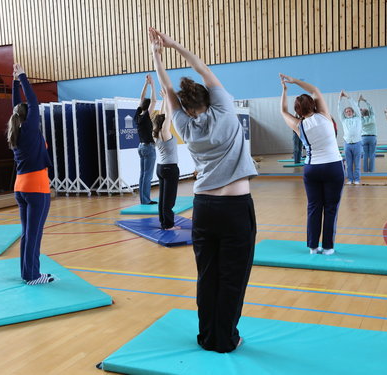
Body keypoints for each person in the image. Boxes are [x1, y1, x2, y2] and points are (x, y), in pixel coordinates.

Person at [149, 27, 257, 353]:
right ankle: (226, 338)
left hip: (204, 207)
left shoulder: (181, 122)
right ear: (208, 98)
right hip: (236, 206)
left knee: (207, 275)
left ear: (184, 104)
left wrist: (156, 53)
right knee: (232, 278)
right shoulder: (223, 108)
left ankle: (206, 336)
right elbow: (202, 68)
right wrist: (172, 44)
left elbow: (167, 87)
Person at [279, 73, 344, 256]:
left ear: (298, 111)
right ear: (314, 105)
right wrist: (294, 81)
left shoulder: (298, 125)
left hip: (312, 169)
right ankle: (329, 247)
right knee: (330, 208)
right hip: (333, 167)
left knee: (314, 207)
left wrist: (284, 91)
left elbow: (283, 111)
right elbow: (314, 90)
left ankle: (313, 247)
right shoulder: (325, 115)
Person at [7, 63, 54, 285]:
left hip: (21, 188)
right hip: (37, 189)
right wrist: (23, 76)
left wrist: (15, 82)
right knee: (34, 234)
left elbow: (18, 107)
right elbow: (32, 103)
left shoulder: (16, 130)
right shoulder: (29, 130)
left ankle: (27, 273)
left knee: (28, 233)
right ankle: (33, 275)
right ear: (30, 118)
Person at [152, 89, 180, 230]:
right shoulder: (165, 133)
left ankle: (164, 222)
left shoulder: (155, 133)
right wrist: (168, 98)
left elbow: (163, 115)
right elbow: (168, 115)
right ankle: (168, 225)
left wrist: (163, 99)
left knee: (163, 198)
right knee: (169, 200)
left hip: (161, 168)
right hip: (170, 169)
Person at [134, 74, 157, 205]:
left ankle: (144, 199)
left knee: (143, 174)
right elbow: (153, 101)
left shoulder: (137, 115)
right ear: (148, 107)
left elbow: (142, 98)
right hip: (148, 147)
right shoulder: (146, 116)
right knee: (147, 175)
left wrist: (145, 84)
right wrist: (152, 84)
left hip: (141, 147)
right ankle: (146, 200)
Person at [338, 91, 362, 185]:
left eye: (350, 111)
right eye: (346, 111)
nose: (348, 112)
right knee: (349, 164)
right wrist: (339, 99)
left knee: (357, 163)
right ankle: (350, 179)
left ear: (353, 112)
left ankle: (357, 179)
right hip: (347, 144)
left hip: (357, 143)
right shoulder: (343, 120)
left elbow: (356, 107)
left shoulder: (358, 118)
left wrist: (348, 97)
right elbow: (339, 110)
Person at [358, 95, 377, 172]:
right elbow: (371, 108)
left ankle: (365, 170)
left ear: (362, 114)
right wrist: (365, 100)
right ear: (369, 113)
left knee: (365, 155)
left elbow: (357, 110)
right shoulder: (372, 117)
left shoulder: (361, 119)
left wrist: (359, 101)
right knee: (372, 155)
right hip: (372, 137)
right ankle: (371, 170)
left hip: (364, 138)